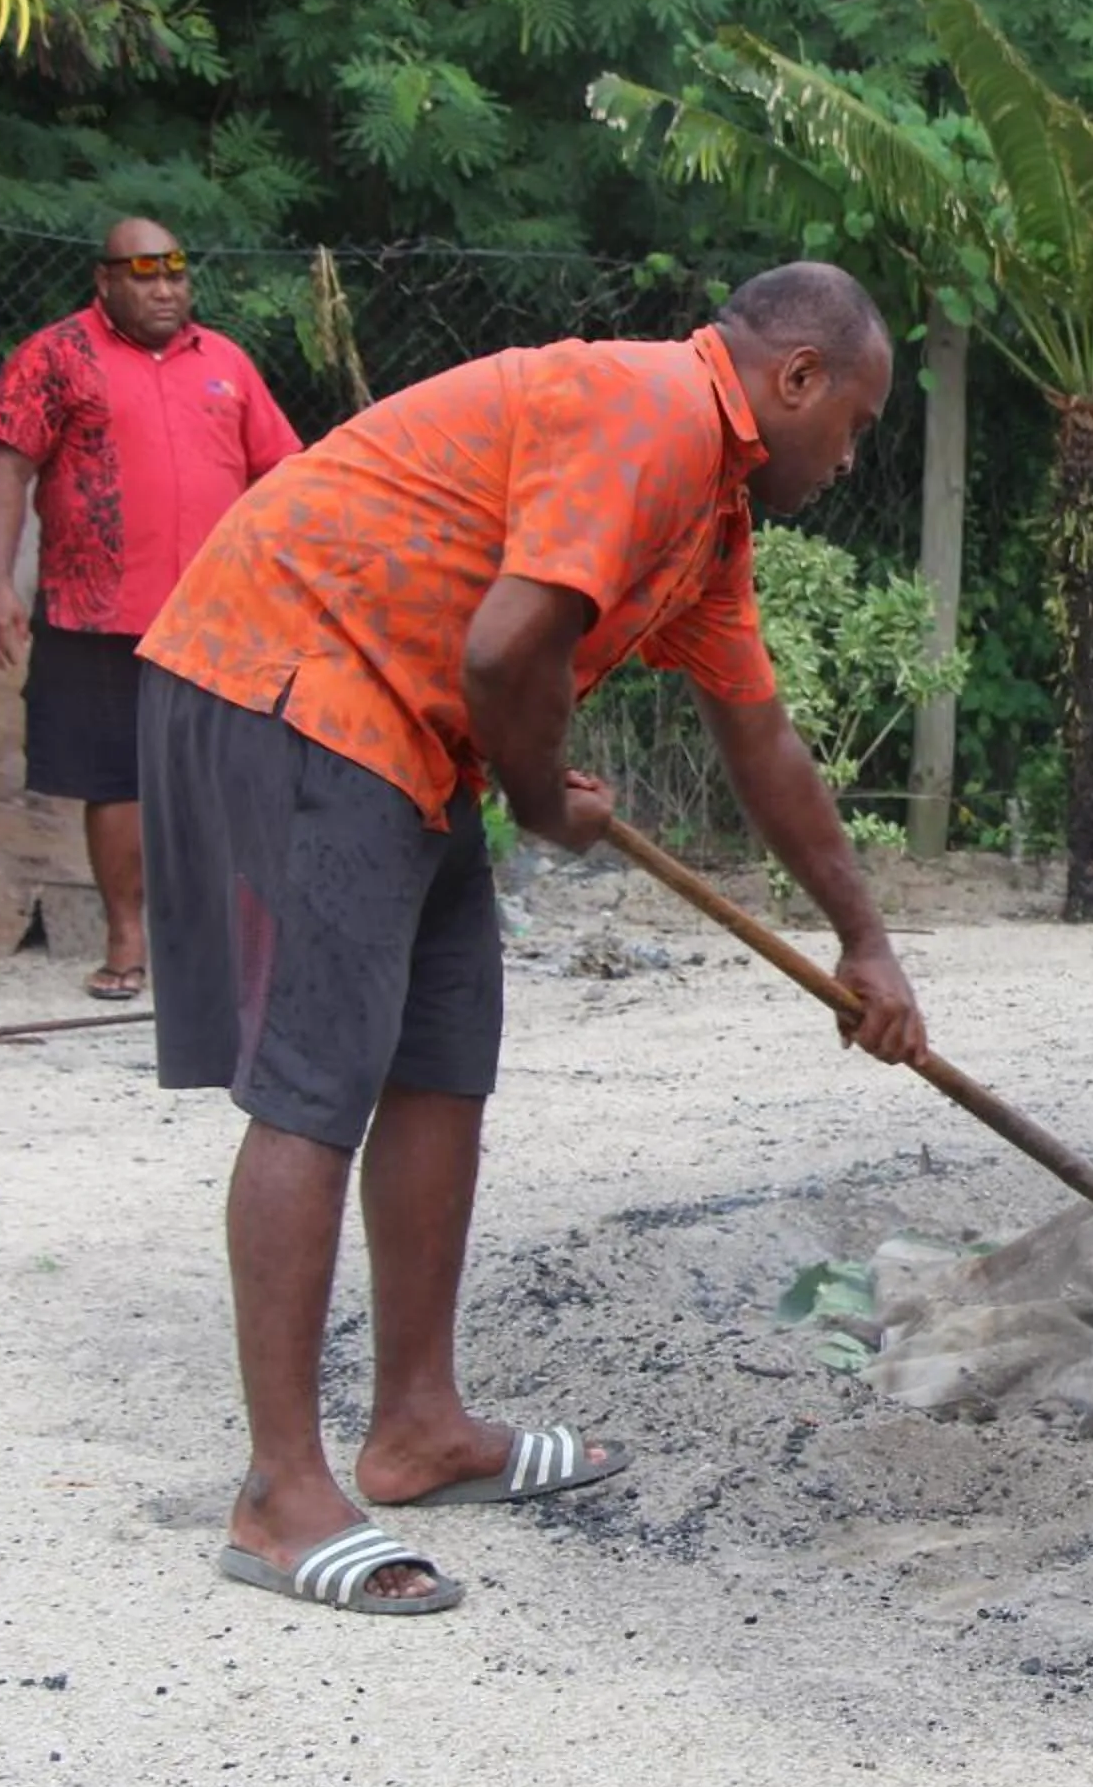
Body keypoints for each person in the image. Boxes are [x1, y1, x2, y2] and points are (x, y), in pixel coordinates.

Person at [134, 260, 927, 1616]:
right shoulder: (652, 413)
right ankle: (278, 1490)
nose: (851, 457)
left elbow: (762, 740)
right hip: (296, 675)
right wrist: (535, 797)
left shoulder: (710, 520)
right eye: (853, 424)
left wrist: (866, 943)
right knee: (319, 1085)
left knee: (444, 1056)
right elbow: (509, 650)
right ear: (795, 380)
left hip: (405, 727)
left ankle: (418, 1426)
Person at [0, 218, 302, 1000]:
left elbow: (284, 475)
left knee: (230, 777)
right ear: (105, 282)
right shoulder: (54, 358)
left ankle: (230, 943)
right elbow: (8, 470)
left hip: (218, 615)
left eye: (177, 276)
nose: (165, 291)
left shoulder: (225, 362)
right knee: (115, 780)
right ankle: (126, 941)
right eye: (145, 276)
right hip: (95, 610)